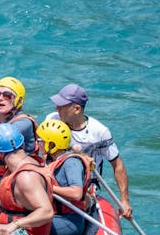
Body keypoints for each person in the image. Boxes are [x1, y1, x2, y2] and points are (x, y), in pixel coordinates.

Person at [45, 83, 133, 219]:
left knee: (80, 201)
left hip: (84, 186)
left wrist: (125, 200)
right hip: (54, 177)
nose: (57, 108)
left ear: (76, 108)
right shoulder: (52, 119)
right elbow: (43, 152)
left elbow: (118, 165)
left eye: (62, 105)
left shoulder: (99, 132)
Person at [0, 123, 55, 235]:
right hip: (6, 224)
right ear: (23, 145)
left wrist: (15, 225)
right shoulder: (15, 167)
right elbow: (3, 194)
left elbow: (47, 212)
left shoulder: (26, 177)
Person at [36, 118, 93, 235]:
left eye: (40, 141)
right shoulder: (50, 160)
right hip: (53, 215)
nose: (37, 143)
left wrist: (49, 187)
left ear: (51, 145)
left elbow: (76, 193)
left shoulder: (71, 163)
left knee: (28, 227)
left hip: (69, 221)